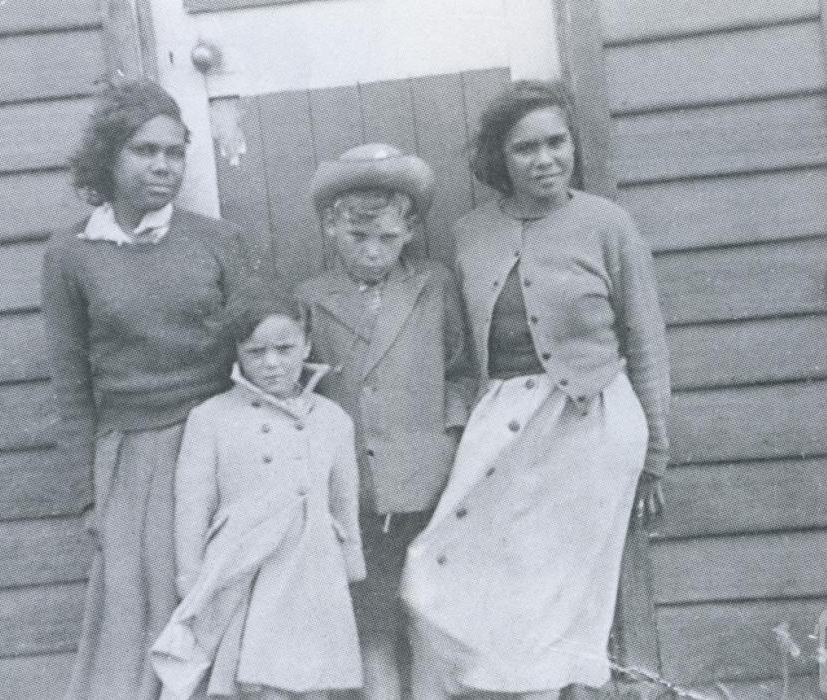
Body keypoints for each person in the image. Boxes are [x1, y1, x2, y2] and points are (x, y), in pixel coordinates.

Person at [401, 79, 671, 700]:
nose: (546, 159)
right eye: (527, 149)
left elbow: (647, 341)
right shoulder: (472, 232)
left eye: (558, 142)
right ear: (500, 158)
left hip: (593, 420)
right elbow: (464, 348)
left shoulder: (607, 223)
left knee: (562, 588)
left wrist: (655, 457)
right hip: (505, 417)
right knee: (446, 564)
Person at [42, 79, 254, 700]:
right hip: (133, 457)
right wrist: (89, 495)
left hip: (216, 444)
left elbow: (253, 345)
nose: (164, 166)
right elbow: (72, 384)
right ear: (109, 158)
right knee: (143, 618)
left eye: (174, 152)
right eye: (145, 151)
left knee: (223, 603)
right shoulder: (71, 253)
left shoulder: (216, 240)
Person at [297, 143, 475, 700]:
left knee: (430, 612)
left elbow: (460, 369)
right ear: (330, 226)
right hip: (355, 488)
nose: (374, 251)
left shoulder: (434, 284)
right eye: (358, 237)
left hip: (427, 477)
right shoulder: (310, 297)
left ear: (411, 230)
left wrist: (445, 438)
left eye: (388, 238)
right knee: (371, 619)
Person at [150, 287, 365, 700]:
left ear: (306, 345)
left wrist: (350, 554)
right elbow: (193, 505)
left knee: (311, 677)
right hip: (246, 564)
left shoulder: (332, 419)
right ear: (237, 352)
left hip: (312, 565)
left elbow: (343, 498)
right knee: (257, 680)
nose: (271, 364)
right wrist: (190, 574)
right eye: (255, 352)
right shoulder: (211, 418)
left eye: (284, 349)